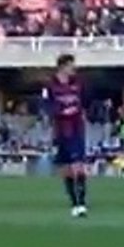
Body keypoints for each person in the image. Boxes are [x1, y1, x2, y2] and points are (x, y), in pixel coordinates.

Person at [42, 53, 89, 217]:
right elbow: (46, 106)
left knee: (79, 166)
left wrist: (80, 111)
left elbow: (84, 102)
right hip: (60, 130)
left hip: (76, 129)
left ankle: (82, 203)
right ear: (63, 67)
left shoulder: (78, 84)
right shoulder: (50, 86)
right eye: (71, 65)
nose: (74, 69)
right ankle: (74, 202)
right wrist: (61, 111)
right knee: (67, 168)